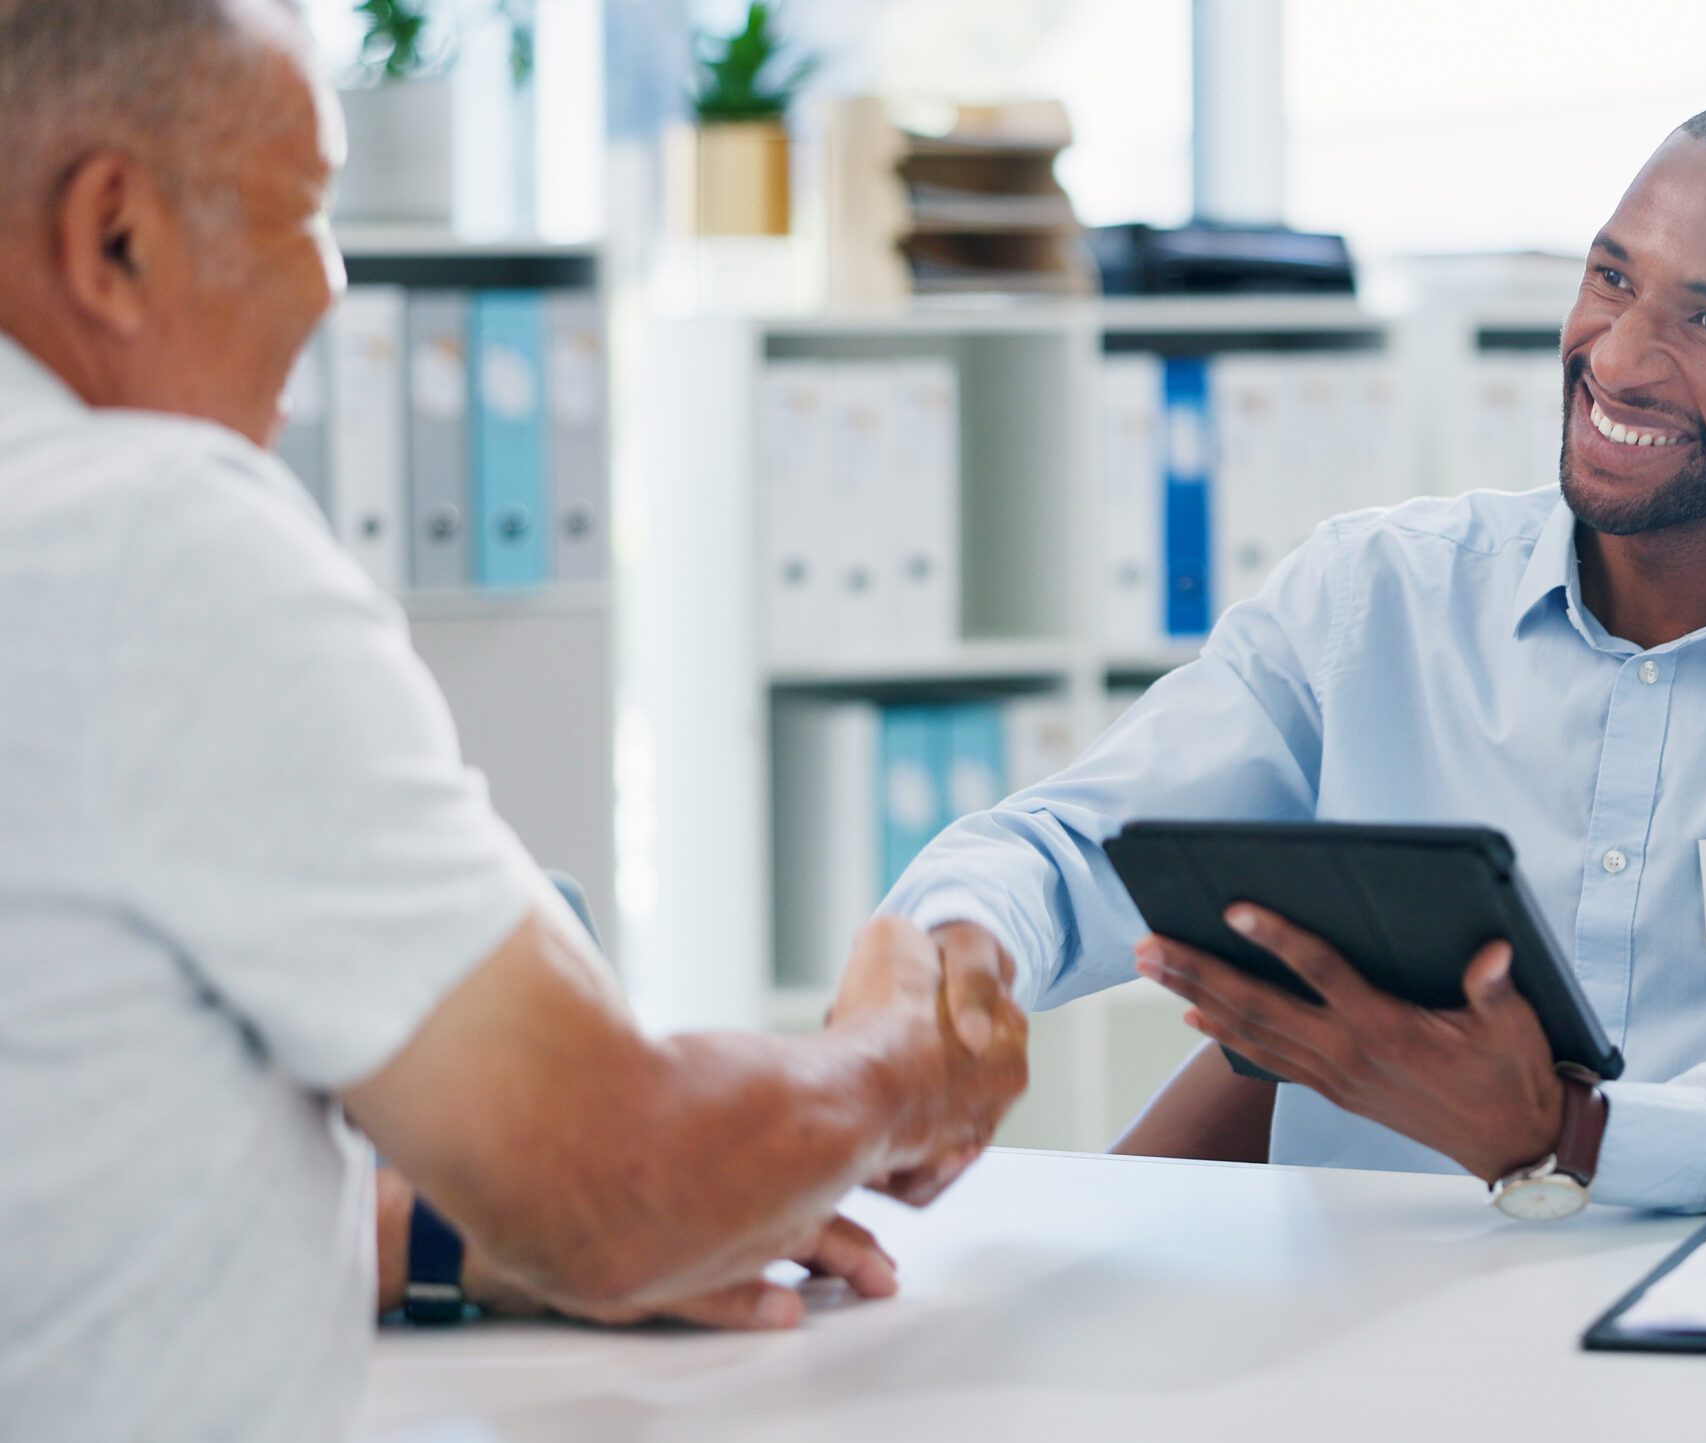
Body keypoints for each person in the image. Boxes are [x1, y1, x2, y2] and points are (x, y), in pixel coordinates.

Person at [0, 3, 1026, 1438]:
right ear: (110, 233)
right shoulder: (144, 536)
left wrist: (452, 1235)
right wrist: (906, 1065)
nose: (333, 286)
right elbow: (622, 1183)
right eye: (304, 211)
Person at [883, 93, 1706, 1218]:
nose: (1617, 359)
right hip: (1359, 1324)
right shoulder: (1375, 598)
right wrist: (958, 951)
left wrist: (1577, 1136)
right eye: (1611, 279)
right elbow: (1072, 846)